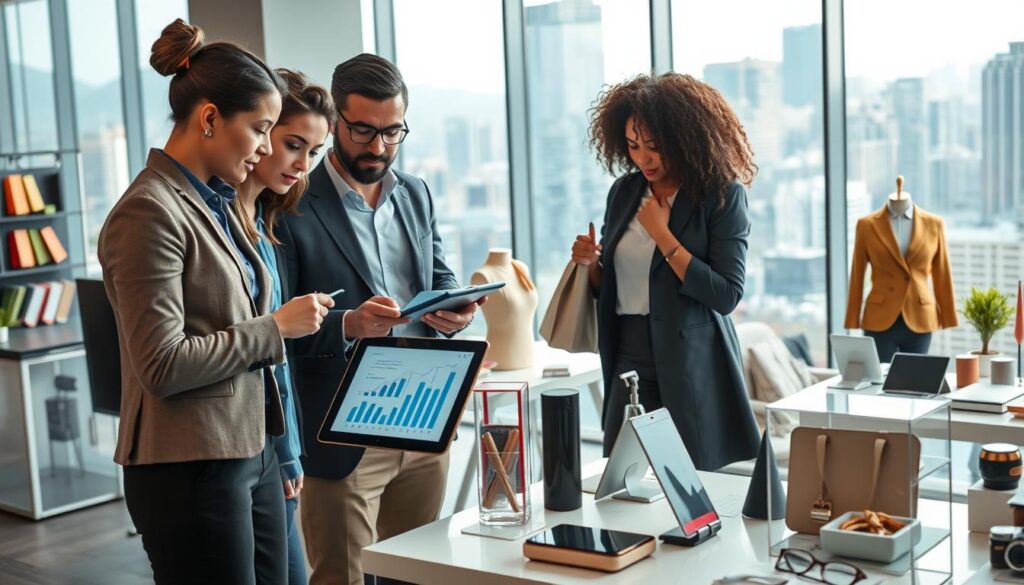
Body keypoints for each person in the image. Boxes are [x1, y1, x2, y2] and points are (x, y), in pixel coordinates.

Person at [98, 19, 332, 584]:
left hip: (250, 451)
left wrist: (281, 450)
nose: (265, 148)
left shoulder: (221, 205)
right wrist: (275, 328)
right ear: (209, 118)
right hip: (187, 466)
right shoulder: (148, 211)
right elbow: (162, 364)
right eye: (260, 129)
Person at [277, 53, 479, 585]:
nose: (379, 147)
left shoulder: (415, 192)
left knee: (419, 573)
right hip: (343, 434)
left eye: (393, 132)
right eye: (363, 130)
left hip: (424, 416)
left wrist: (454, 305)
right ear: (336, 120)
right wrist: (347, 323)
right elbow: (272, 328)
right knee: (341, 577)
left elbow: (438, 273)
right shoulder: (290, 203)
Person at [572, 72, 761, 471]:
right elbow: (613, 286)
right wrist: (590, 265)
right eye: (633, 146)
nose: (643, 158)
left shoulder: (722, 195)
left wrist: (664, 236)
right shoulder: (624, 191)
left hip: (690, 357)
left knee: (688, 481)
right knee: (625, 476)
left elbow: (726, 294)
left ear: (685, 139)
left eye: (654, 147)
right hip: (627, 352)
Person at [234, 68, 335, 585]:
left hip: (275, 447)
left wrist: (289, 453)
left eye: (314, 152)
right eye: (293, 144)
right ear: (262, 129)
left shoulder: (266, 223)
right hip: (239, 448)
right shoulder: (223, 222)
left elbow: (275, 365)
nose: (302, 164)